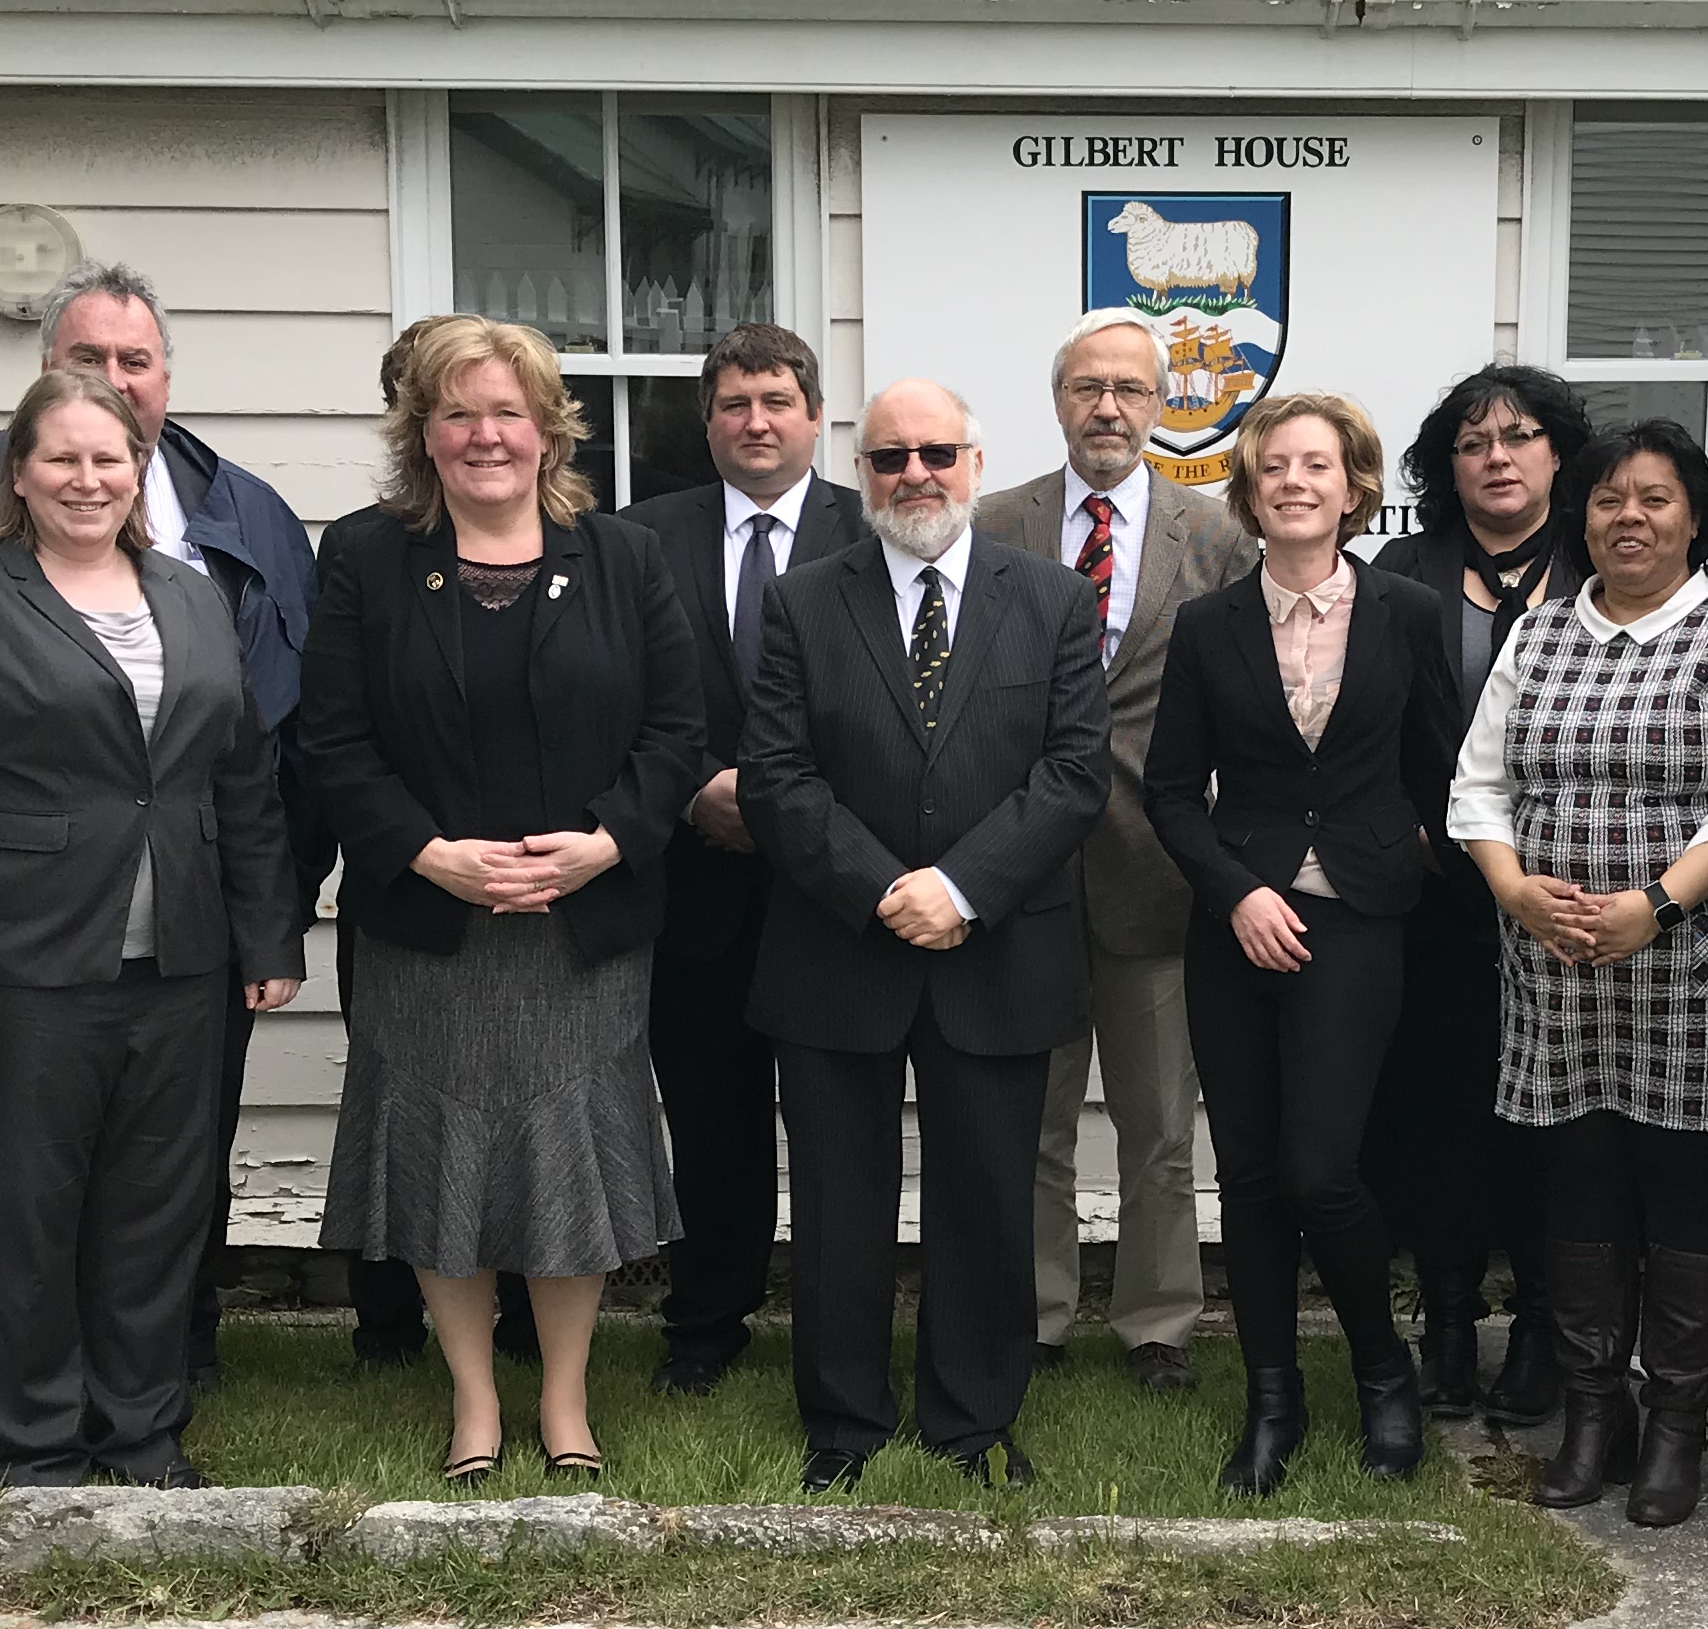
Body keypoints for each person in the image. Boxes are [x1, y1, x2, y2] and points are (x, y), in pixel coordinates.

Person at [0, 265, 325, 1383]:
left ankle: (151, 1413)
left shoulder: (215, 559)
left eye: (135, 362)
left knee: (161, 1196)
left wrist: (270, 925)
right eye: (86, 362)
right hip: (23, 944)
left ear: (157, 408)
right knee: (24, 1200)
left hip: (185, 946)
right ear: (24, 451)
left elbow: (253, 761)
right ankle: (30, 1430)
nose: (111, 390)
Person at [299, 317, 707, 1481]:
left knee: (569, 1160)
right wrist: (428, 855)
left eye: (507, 413)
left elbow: (677, 732)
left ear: (548, 429)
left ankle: (566, 1399)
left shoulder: (624, 557)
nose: (486, 435)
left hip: (581, 932)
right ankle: (475, 1400)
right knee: (444, 1162)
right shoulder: (366, 557)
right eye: (458, 413)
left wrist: (604, 845)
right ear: (422, 433)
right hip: (431, 928)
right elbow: (331, 740)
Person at [743, 380, 1108, 1489]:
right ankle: (842, 1424)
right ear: (862, 474)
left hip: (996, 947)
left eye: (937, 454)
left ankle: (973, 1421)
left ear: (975, 464)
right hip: (836, 948)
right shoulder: (802, 600)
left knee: (987, 1198)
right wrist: (883, 889)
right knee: (838, 1202)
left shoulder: (1052, 598)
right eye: (891, 457)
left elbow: (1074, 771)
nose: (916, 475)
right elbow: (775, 775)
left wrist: (960, 888)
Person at [1451, 420, 1708, 1532]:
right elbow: (1479, 787)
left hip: (1696, 964)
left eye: (1655, 498)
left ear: (1694, 517)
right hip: (1558, 962)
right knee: (1580, 1188)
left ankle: (1675, 1427)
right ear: (1583, 518)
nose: (1630, 518)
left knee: (1685, 1193)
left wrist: (1651, 907)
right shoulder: (1538, 632)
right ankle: (1592, 1414)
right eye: (1609, 500)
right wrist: (1516, 891)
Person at [1143, 395, 1466, 1493]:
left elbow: (1440, 768)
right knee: (1248, 1175)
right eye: (1274, 466)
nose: (1293, 482)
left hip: (1358, 921)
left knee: (1323, 1170)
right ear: (1249, 489)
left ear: (1353, 487)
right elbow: (1172, 791)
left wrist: (1434, 868)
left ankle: (1383, 1376)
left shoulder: (1408, 612)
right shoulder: (1208, 625)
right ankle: (1271, 1401)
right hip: (1237, 924)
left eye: (1316, 465)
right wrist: (1237, 892)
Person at [973, 315, 1254, 1391]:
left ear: (1162, 404)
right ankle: (1036, 1316)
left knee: (1160, 1125)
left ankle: (1157, 1324)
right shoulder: (995, 525)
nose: (1108, 408)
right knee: (1034, 1121)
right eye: (1088, 387)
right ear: (1058, 400)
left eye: (1130, 390)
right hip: (1022, 874)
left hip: (1158, 872)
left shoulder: (1217, 537)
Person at [625, 321, 866, 1397]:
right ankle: (706, 1325)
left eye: (776, 401)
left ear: (814, 417)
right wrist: (693, 787)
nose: (755, 422)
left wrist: (780, 803)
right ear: (708, 421)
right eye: (734, 404)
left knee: (836, 1128)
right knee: (712, 1120)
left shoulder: (872, 530)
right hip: (695, 882)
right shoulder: (642, 537)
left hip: (833, 886)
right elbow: (623, 693)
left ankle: (839, 1323)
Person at [1368, 363, 1589, 1431]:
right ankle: (1448, 1320)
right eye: (1471, 442)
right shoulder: (1403, 569)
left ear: (1558, 452)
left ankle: (1544, 1326)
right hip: (1435, 896)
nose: (1496, 457)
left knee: (1554, 1120)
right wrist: (1400, 825)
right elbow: (1364, 717)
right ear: (1445, 466)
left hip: (1571, 897)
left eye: (1518, 436)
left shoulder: (1598, 561)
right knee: (1438, 1114)